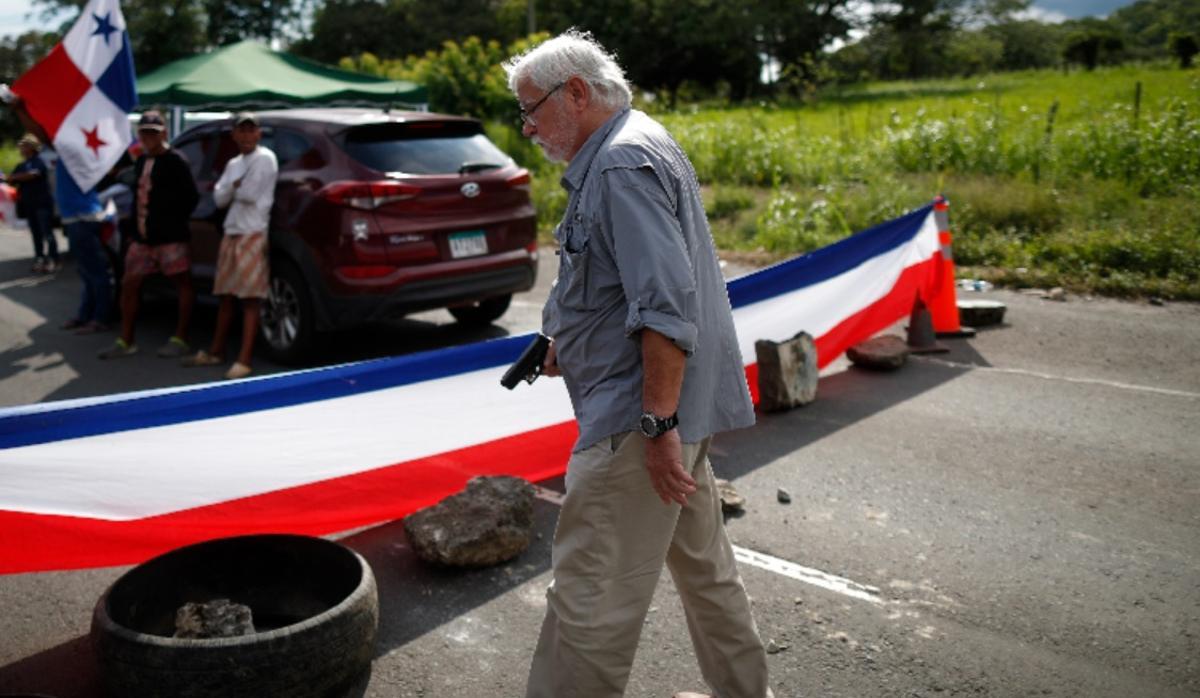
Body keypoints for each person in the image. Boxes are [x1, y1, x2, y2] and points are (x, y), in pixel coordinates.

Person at [504, 31, 773, 698]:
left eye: (529, 108)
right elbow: (628, 282)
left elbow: (664, 307)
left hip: (640, 425)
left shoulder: (620, 164)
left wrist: (656, 427)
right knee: (709, 576)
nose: (527, 126)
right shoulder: (633, 142)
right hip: (674, 413)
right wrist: (572, 335)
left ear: (576, 92)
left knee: (589, 603)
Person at [98, 110, 200, 360]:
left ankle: (180, 337)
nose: (148, 137)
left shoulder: (176, 161)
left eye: (153, 133)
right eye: (144, 133)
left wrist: (171, 222)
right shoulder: (142, 161)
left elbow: (190, 198)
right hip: (143, 238)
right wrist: (134, 231)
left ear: (164, 133)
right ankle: (126, 339)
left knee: (182, 283)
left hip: (170, 237)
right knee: (129, 283)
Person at [182, 112, 276, 380]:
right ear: (234, 134)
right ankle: (217, 350)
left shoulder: (265, 158)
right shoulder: (235, 163)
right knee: (225, 294)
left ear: (259, 133)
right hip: (232, 231)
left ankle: (244, 359)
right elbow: (220, 197)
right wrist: (235, 186)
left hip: (252, 233)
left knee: (249, 298)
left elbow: (248, 193)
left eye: (251, 130)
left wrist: (233, 187)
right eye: (241, 130)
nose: (246, 135)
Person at [8, 133, 58, 273]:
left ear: (31, 147)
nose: (21, 149)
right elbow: (11, 180)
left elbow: (33, 174)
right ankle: (39, 258)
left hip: (42, 203)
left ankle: (53, 259)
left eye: (24, 146)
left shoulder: (39, 161)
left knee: (47, 232)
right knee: (36, 234)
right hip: (29, 204)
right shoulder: (21, 165)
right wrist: (13, 177)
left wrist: (16, 177)